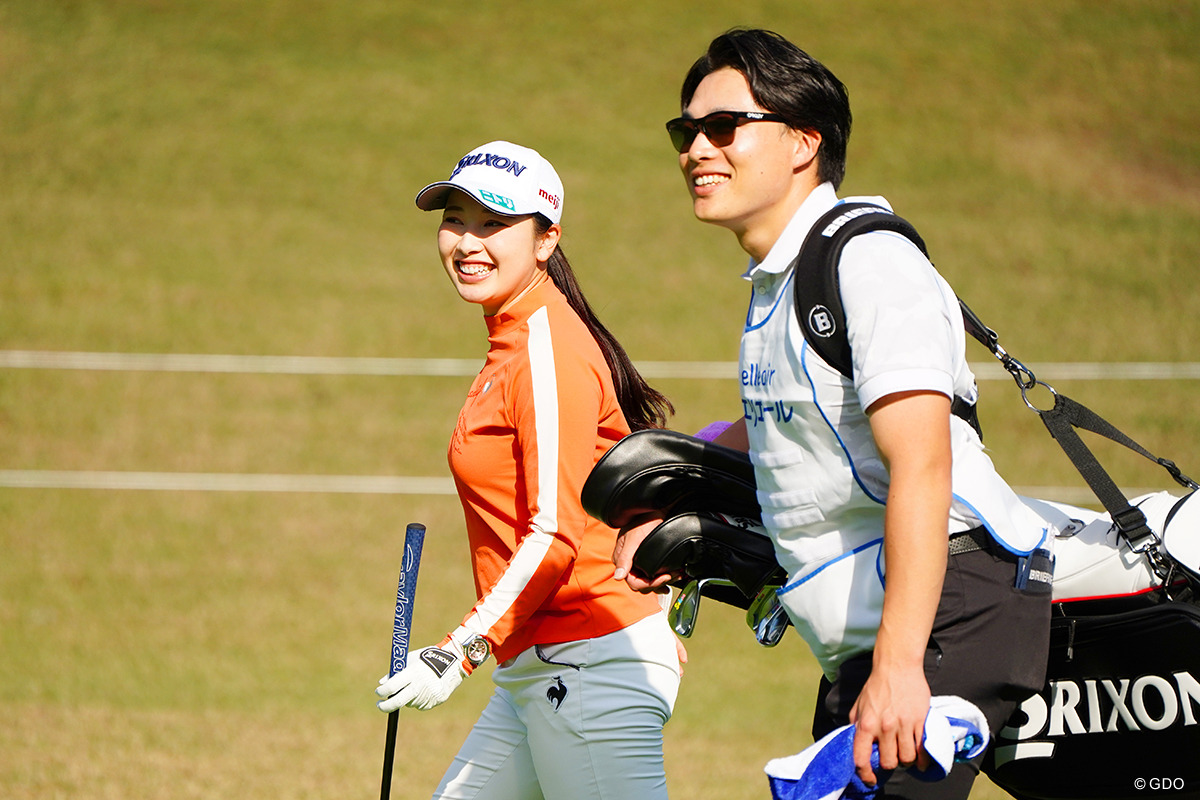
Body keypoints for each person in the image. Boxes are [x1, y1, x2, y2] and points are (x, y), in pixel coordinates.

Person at [611, 29, 1052, 799]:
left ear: (802, 142)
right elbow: (781, 425)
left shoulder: (867, 262)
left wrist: (901, 666)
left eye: (724, 128)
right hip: (876, 630)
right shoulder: (776, 283)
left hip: (945, 612)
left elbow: (923, 466)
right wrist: (681, 487)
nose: (697, 151)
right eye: (687, 132)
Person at [376, 140, 683, 800]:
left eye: (494, 223)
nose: (467, 241)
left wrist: (458, 652)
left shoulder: (546, 346)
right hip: (542, 667)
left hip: (588, 665)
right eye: (455, 219)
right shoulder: (514, 340)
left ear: (546, 241)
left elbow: (553, 534)